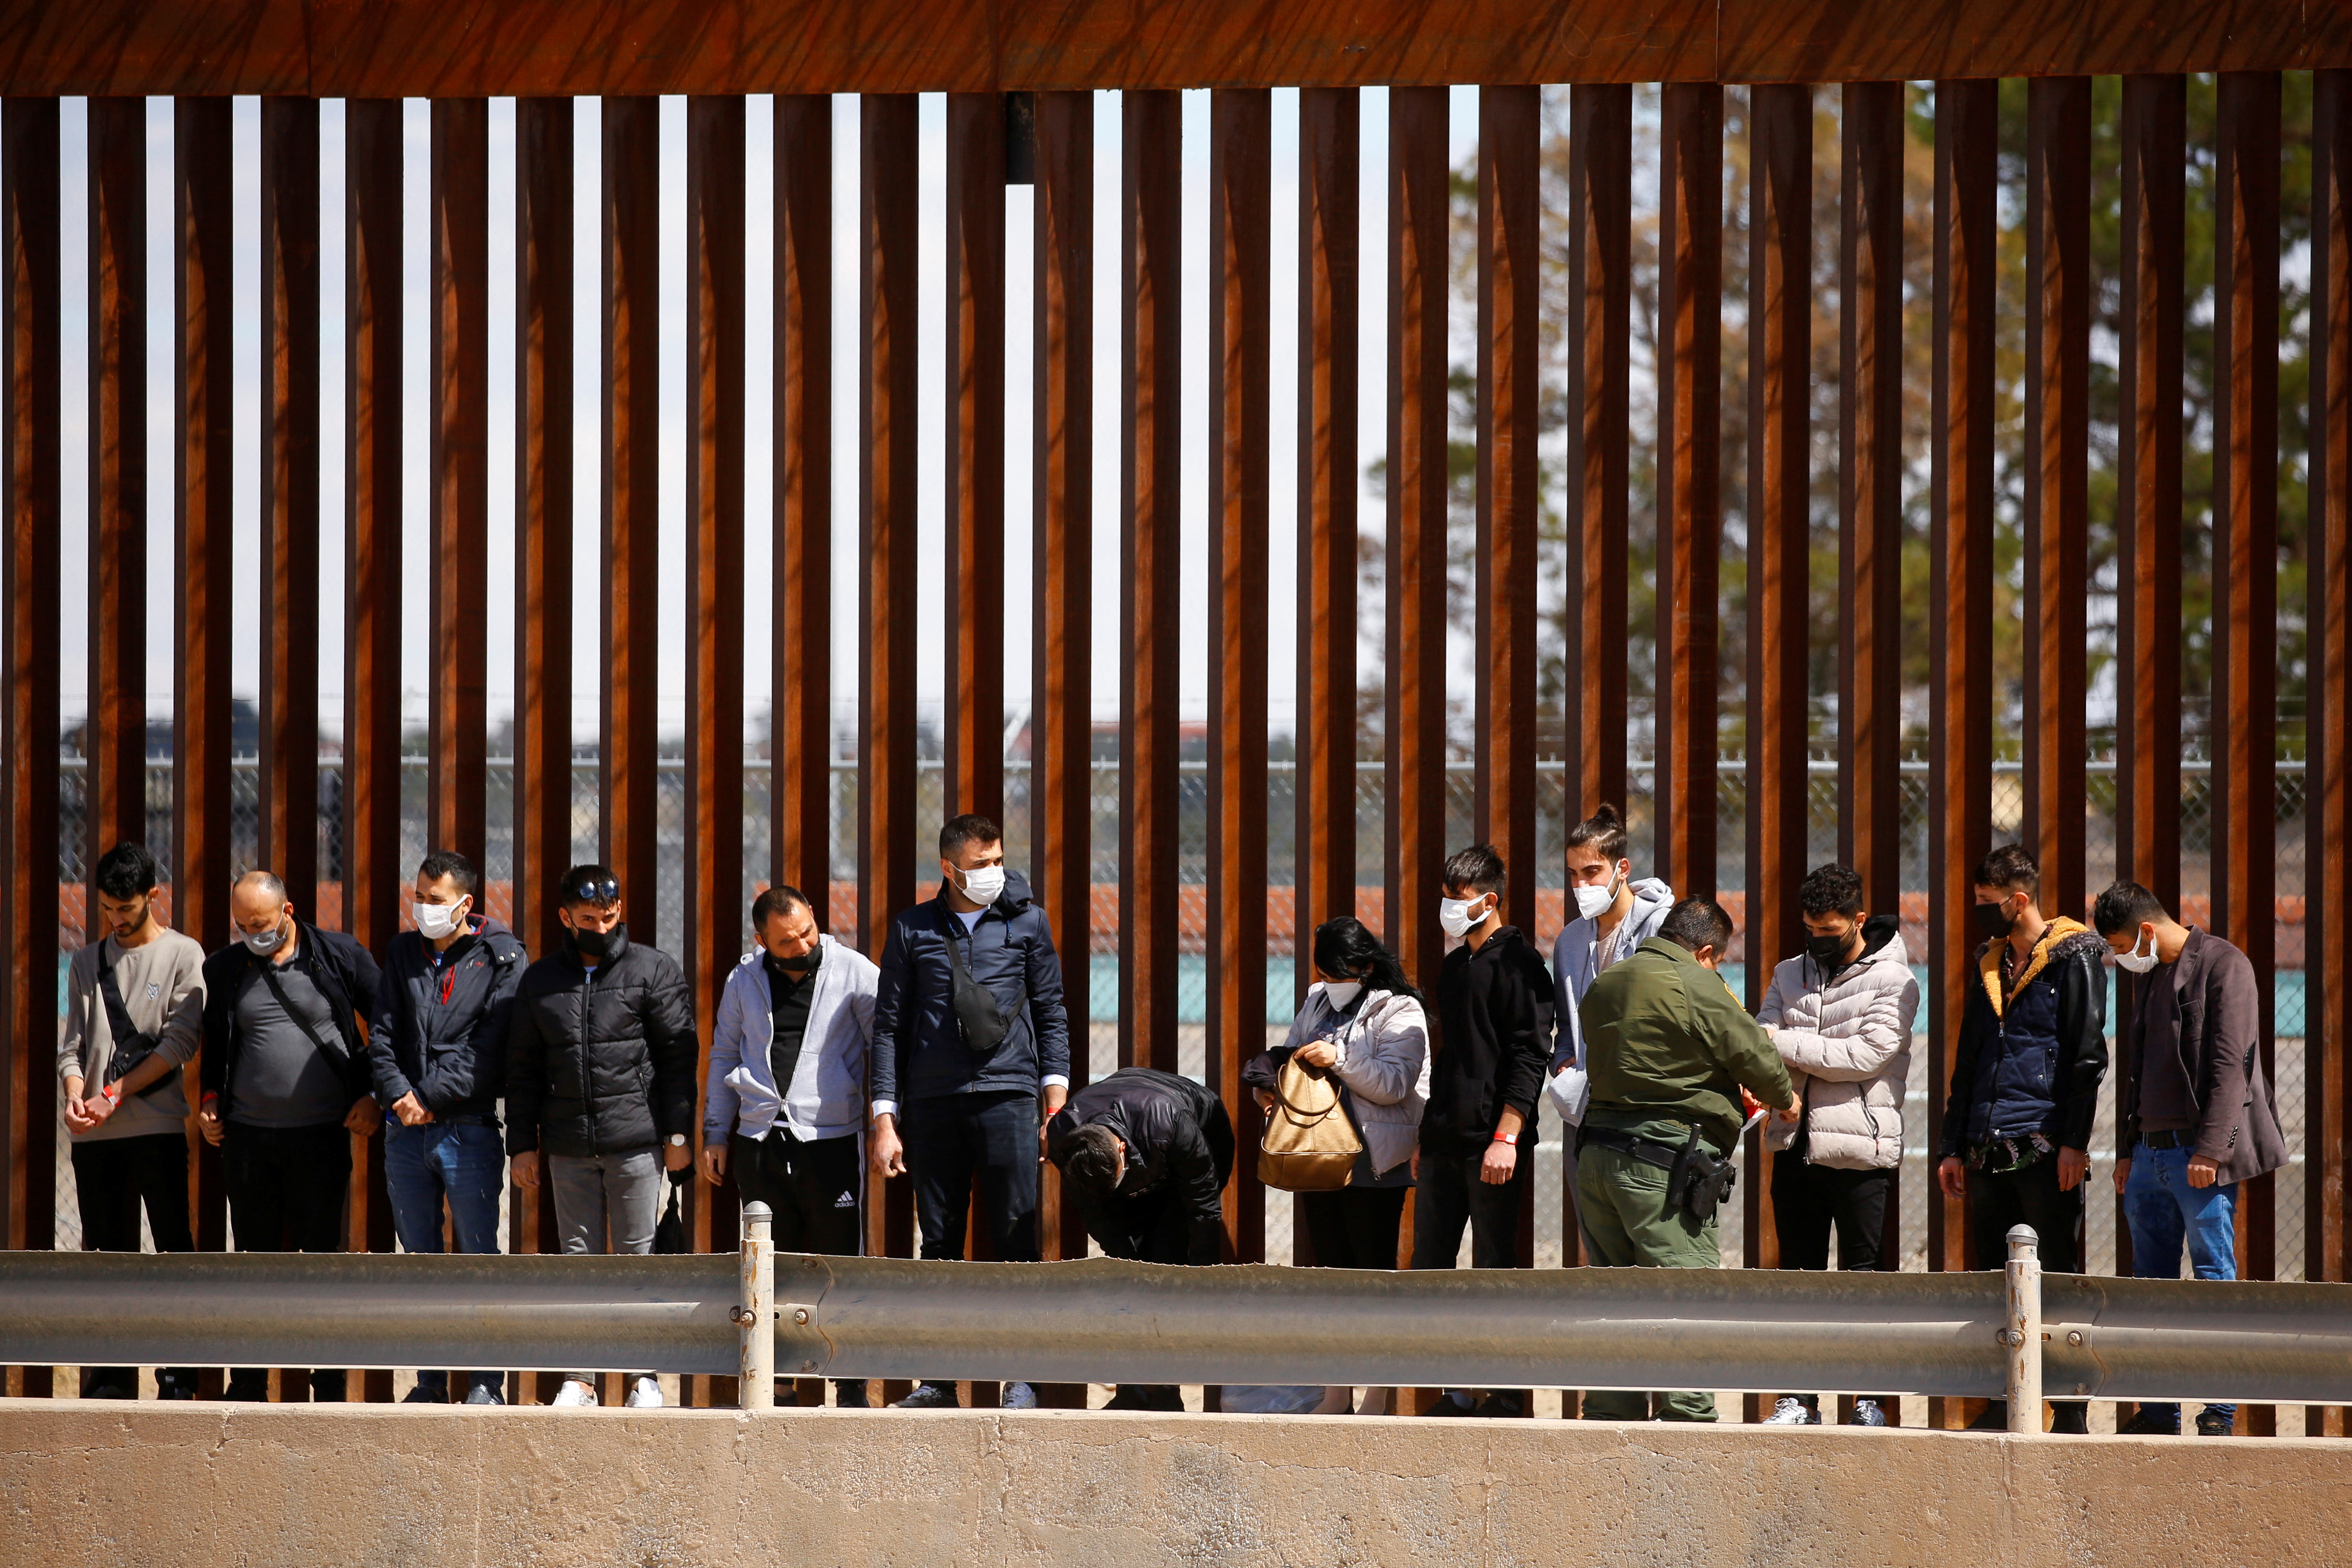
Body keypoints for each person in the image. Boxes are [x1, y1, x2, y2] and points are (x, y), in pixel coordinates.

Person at [868, 813, 1071, 1411]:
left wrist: (1054, 1094)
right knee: (939, 1245)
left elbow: (1052, 1008)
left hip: (1009, 1095)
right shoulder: (912, 929)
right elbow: (888, 1028)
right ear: (949, 867)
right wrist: (885, 1118)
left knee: (1017, 1239)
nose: (992, 873)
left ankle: (1021, 1378)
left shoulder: (1028, 922)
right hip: (933, 1104)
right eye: (980, 865)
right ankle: (938, 1381)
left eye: (997, 860)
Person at [1575, 896, 1797, 1422]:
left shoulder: (1607, 982)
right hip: (1662, 1167)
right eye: (1718, 961)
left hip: (1598, 1159)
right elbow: (1757, 1058)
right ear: (1705, 951)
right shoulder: (1696, 984)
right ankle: (1687, 1429)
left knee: (1615, 1302)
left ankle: (1612, 1417)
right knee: (1684, 1296)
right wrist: (1786, 1101)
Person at [2093, 880, 2287, 1438]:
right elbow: (2137, 1069)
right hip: (2147, 1157)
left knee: (2210, 1278)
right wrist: (2128, 1147)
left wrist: (2211, 1149)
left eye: (2123, 944)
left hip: (2196, 1156)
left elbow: (2233, 1065)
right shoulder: (2152, 976)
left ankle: (2219, 1410)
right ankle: (2157, 1413)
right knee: (2148, 1285)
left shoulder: (2226, 965)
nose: (2122, 957)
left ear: (2147, 931)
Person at [506, 863, 697, 1409]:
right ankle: (581, 1378)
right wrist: (522, 1143)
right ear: (566, 917)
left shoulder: (652, 970)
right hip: (567, 1145)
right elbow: (520, 1067)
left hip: (637, 1141)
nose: (602, 925)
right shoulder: (540, 981)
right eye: (589, 918)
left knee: (638, 1260)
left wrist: (678, 1131)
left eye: (609, 916)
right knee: (579, 1260)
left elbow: (678, 1057)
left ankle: (643, 1377)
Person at [1937, 843, 2107, 1436]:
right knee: (1993, 1277)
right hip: (1987, 1144)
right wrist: (1952, 1147)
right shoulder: (1988, 964)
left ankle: (2070, 1408)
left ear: (2020, 900)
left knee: (2055, 1276)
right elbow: (1969, 1061)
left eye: (1989, 903)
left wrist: (2073, 1143)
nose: (1980, 913)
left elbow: (2088, 1058)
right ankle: (2001, 1400)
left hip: (2042, 1142)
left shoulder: (2075, 958)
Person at [199, 869, 383, 1402]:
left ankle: (326, 1386)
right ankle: (250, 1385)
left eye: (262, 923)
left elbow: (390, 1026)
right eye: (242, 925)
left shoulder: (339, 956)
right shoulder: (226, 968)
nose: (253, 933)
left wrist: (371, 1093)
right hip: (250, 1141)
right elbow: (216, 1046)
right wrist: (211, 1101)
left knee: (321, 1263)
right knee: (255, 1264)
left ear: (289, 910)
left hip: (321, 1137)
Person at [1242, 916, 1429, 1416]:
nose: (1330, 982)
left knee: (1373, 1282)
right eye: (1324, 972)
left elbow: (1394, 1085)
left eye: (1338, 972)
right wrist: (1274, 1081)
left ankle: (1378, 1395)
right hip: (1318, 1158)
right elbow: (1297, 1058)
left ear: (1365, 967)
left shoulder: (1401, 1009)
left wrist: (1339, 1057)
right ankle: (1336, 1393)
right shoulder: (1316, 1000)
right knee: (1331, 1282)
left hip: (1375, 1165)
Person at [702, 883, 878, 1408]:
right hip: (759, 1138)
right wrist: (716, 1131)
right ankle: (777, 1385)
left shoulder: (855, 970)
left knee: (837, 1263)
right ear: (763, 941)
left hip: (831, 1139)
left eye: (807, 932)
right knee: (769, 1265)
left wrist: (886, 1119)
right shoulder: (743, 978)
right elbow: (723, 1054)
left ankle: (848, 1385)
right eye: (786, 941)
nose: (802, 945)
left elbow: (885, 1050)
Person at [1754, 863, 1917, 1428]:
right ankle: (1798, 1398)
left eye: (1832, 931)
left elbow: (1866, 1057)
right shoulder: (1786, 972)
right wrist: (1786, 1046)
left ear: (1859, 920)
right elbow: (1759, 1044)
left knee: (1862, 1279)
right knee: (1799, 1278)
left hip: (1860, 1150)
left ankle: (1866, 1398)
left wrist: (1788, 1042)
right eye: (1812, 930)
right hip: (1795, 1146)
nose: (1820, 941)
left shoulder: (1896, 980)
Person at [368, 849, 525, 1405]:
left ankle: (486, 1382)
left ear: (466, 904)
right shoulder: (403, 951)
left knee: (478, 1256)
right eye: (420, 897)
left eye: (435, 901)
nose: (424, 909)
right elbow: (382, 1034)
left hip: (468, 1129)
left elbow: (490, 1048)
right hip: (405, 1133)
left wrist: (427, 1097)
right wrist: (398, 1097)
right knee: (421, 1261)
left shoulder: (502, 957)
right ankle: (430, 1381)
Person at [58, 841, 204, 1400]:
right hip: (95, 1135)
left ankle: (178, 1376)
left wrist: (114, 1094)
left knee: (172, 1250)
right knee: (107, 1257)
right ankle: (111, 1379)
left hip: (157, 1128)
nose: (116, 920)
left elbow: (179, 1043)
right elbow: (71, 1045)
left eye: (126, 909)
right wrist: (76, 1093)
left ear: (152, 897)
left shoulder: (182, 954)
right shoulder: (90, 959)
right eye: (107, 910)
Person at [1413, 845, 1554, 1419]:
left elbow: (1529, 1054)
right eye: (1445, 898)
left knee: (1495, 1269)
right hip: (1445, 1140)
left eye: (1459, 900)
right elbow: (1450, 1059)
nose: (1448, 909)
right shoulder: (1453, 967)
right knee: (1431, 1270)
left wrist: (1508, 1135)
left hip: (1492, 1144)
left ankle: (1503, 1393)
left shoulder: (1522, 965)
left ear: (1489, 900)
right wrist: (1428, 1131)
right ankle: (1453, 1390)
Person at [1045, 1066, 1235, 1411]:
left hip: (1197, 1139)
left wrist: (1202, 1274)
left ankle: (1164, 1393)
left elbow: (1203, 1207)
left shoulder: (1170, 1122)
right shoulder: (1065, 1138)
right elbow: (1094, 1212)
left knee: (1166, 1259)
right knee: (1131, 1278)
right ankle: (1133, 1390)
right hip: (1140, 1155)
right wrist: (1123, 1259)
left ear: (1120, 1149)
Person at [1548, 804, 1674, 1146]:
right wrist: (1563, 1063)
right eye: (1573, 874)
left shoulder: (1662, 928)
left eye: (1592, 872)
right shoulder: (1570, 940)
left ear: (1622, 869)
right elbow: (1565, 1020)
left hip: (1647, 1115)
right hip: (1584, 1116)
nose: (1581, 884)